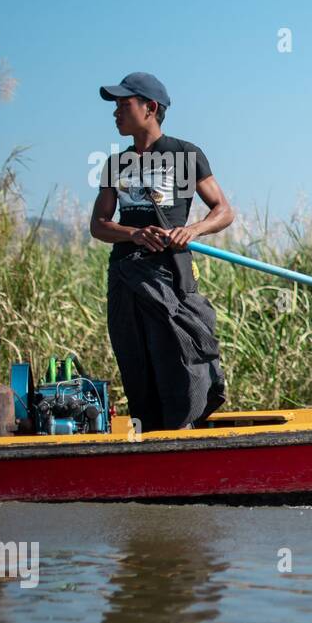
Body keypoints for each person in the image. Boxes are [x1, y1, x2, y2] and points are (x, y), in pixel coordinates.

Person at [89, 72, 232, 431]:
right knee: (136, 362)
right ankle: (149, 438)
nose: (116, 113)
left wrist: (192, 230)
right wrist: (135, 233)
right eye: (116, 106)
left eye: (124, 105)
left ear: (150, 108)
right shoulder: (116, 164)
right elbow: (99, 224)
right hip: (127, 277)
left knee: (179, 358)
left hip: (170, 275)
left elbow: (223, 211)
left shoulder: (185, 155)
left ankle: (183, 433)